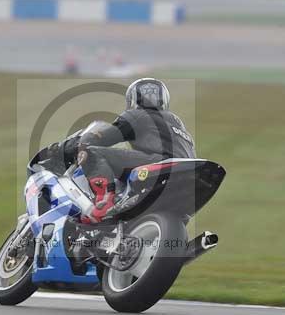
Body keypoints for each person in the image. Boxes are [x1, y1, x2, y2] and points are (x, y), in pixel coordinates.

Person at [78, 78, 196, 222]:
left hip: (161, 165)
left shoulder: (137, 115)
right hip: (187, 178)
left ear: (133, 99)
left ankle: (104, 203)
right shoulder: (177, 123)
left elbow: (105, 136)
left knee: (92, 152)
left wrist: (83, 142)